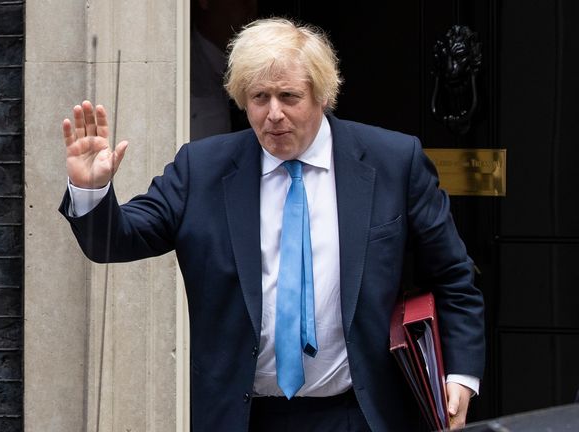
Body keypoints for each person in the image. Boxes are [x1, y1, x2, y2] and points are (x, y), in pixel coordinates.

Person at [59, 18, 484, 432]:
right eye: (259, 97)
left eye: (289, 96)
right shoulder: (202, 169)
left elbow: (454, 277)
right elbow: (118, 240)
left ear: (322, 95)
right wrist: (91, 191)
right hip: (244, 416)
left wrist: (461, 375)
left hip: (362, 412)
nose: (273, 114)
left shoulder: (392, 161)